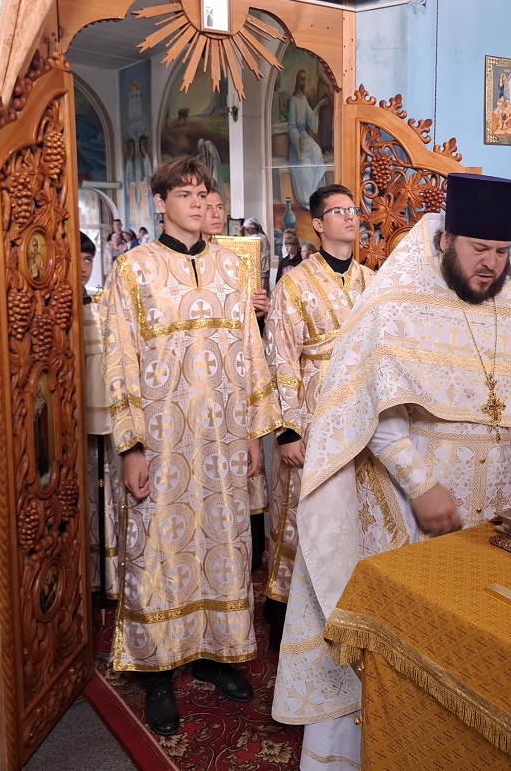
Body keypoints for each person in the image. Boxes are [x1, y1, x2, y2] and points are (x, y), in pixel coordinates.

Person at [271, 173, 511, 769]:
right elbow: (369, 408)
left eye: (502, 251)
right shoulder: (397, 300)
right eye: (479, 249)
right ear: (448, 238)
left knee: (477, 635)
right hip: (410, 505)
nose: (490, 264)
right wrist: (421, 484)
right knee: (404, 640)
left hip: (495, 502)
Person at [101, 155, 280, 736]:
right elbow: (119, 359)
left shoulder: (231, 267)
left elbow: (249, 351)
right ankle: (157, 672)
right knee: (157, 547)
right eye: (185, 194)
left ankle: (214, 654)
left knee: (223, 542)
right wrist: (131, 447)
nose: (199, 203)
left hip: (223, 437)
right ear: (160, 204)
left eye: (204, 194)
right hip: (162, 439)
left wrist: (253, 433)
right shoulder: (132, 269)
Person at [263, 184, 373, 652]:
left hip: (361, 411)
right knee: (299, 506)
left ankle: (347, 604)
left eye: (354, 209)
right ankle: (284, 611)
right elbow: (280, 357)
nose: (350, 217)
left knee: (354, 506)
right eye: (338, 210)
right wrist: (287, 430)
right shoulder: (294, 283)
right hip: (310, 409)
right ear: (319, 223)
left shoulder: (374, 282)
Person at [202, 180, 271, 573]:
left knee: (244, 477)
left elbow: (248, 340)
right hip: (197, 390)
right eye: (207, 206)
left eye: (219, 207)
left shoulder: (235, 262)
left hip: (234, 386)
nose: (214, 214)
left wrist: (258, 313)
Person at [79, 233, 120, 598]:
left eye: (88, 260)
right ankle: (87, 575)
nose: (83, 267)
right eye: (77, 259)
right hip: (74, 418)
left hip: (105, 412)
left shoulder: (99, 305)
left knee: (107, 493)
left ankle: (109, 573)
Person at [287, 68, 329, 206]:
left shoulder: (304, 99)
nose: (303, 82)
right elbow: (292, 125)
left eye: (304, 79)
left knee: (317, 150)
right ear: (297, 81)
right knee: (305, 165)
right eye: (301, 79)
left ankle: (317, 194)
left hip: (304, 136)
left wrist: (318, 106)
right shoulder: (293, 100)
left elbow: (310, 118)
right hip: (297, 142)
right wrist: (297, 139)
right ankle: (308, 198)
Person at [242, 216, 272, 290]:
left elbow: (265, 254)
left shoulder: (262, 237)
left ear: (253, 228)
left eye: (248, 229)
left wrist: (264, 271)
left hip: (260, 265)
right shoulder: (248, 237)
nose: (247, 231)